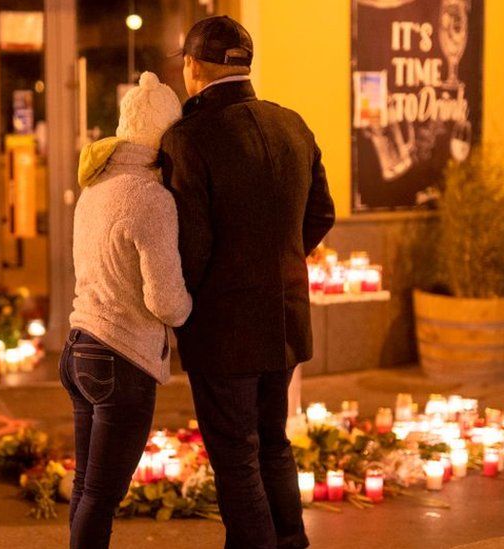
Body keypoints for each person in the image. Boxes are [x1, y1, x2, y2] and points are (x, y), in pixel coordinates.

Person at [160, 16, 336, 549]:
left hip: (224, 330)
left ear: (192, 67)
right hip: (283, 321)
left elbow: (192, 247)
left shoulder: (190, 138)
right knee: (272, 444)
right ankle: (291, 542)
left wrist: (180, 306)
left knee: (236, 455)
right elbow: (321, 214)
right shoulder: (292, 124)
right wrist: (276, 260)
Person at [61, 72, 192, 549]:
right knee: (103, 495)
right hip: (122, 357)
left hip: (79, 348)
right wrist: (193, 305)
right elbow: (166, 303)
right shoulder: (152, 199)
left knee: (86, 487)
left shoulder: (94, 187)